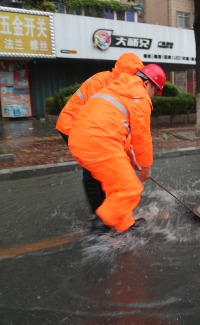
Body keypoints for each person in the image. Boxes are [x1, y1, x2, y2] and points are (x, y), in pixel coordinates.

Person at [68, 64, 166, 234]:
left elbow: (114, 125)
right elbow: (142, 138)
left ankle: (125, 224)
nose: (153, 96)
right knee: (131, 189)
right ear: (147, 84)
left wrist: (130, 155)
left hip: (79, 140)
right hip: (100, 142)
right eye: (154, 90)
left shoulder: (116, 87)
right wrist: (146, 167)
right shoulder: (140, 97)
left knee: (116, 185)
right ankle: (98, 229)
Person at [56, 53, 144, 214]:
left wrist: (128, 149)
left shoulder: (120, 87)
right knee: (94, 168)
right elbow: (99, 122)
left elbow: (120, 125)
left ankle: (106, 206)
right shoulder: (102, 82)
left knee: (103, 165)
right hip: (73, 126)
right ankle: (100, 213)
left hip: (87, 128)